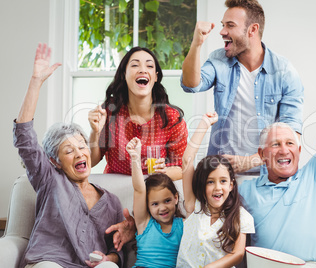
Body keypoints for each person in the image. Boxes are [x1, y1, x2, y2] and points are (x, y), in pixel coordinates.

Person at [238, 8, 316, 267]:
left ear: (299, 151)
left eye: (290, 144)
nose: (285, 150)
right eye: (275, 144)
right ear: (262, 155)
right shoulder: (245, 190)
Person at [14, 43, 124, 268]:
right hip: (50, 263)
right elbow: (25, 138)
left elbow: (117, 250)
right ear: (54, 160)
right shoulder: (49, 179)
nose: (79, 153)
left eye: (82, 146)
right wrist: (36, 82)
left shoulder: (111, 202)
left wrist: (108, 258)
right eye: (68, 150)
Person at [181, 0, 304, 175]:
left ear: (252, 29)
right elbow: (190, 84)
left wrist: (250, 161)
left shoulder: (284, 71)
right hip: (221, 176)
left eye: (230, 26)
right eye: (223, 25)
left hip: (267, 175)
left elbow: (292, 134)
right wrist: (196, 44)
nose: (222, 32)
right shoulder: (219, 60)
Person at [88, 47, 188, 181]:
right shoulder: (110, 111)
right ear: (124, 74)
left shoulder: (171, 118)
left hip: (153, 192)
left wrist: (165, 171)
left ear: (156, 77)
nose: (142, 69)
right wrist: (95, 132)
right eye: (135, 65)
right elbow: (92, 161)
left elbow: (183, 168)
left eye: (149, 66)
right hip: (116, 190)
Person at [176, 112, 255, 267]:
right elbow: (187, 159)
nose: (217, 187)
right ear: (202, 185)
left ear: (231, 185)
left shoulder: (241, 217)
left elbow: (238, 254)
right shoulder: (195, 206)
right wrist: (204, 124)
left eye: (223, 181)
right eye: (210, 182)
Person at [125, 137, 185, 267]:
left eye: (167, 201)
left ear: (176, 198)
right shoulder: (144, 223)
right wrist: (135, 158)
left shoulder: (183, 226)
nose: (162, 208)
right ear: (147, 206)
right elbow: (139, 190)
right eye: (155, 204)